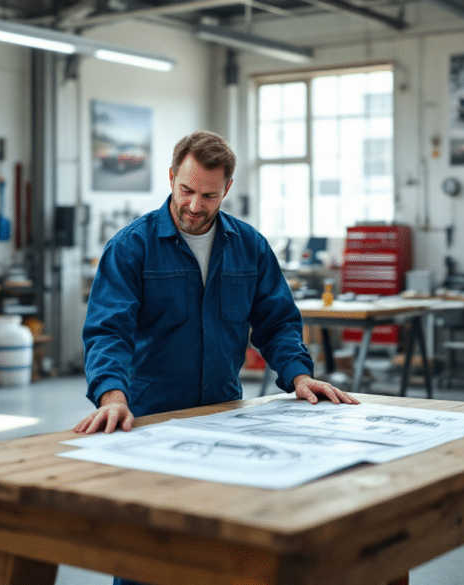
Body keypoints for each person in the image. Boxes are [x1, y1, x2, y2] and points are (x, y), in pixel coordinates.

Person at [75, 129, 357, 442]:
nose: (195, 206)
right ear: (171, 178)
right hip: (146, 417)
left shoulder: (250, 247)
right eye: (187, 190)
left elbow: (277, 323)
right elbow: (108, 331)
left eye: (209, 196)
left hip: (225, 413)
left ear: (227, 189)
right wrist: (112, 397)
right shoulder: (131, 247)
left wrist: (299, 375)